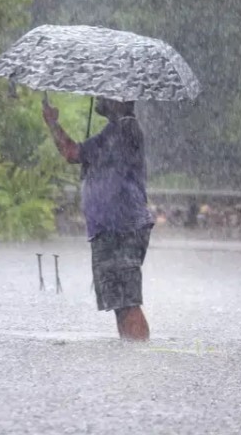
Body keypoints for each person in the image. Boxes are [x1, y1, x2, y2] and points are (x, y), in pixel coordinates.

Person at [42, 94, 154, 341]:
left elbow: (73, 153)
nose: (98, 97)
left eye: (105, 94)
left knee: (127, 301)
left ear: (119, 99)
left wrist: (53, 124)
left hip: (122, 228)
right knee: (119, 303)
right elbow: (75, 154)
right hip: (109, 229)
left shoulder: (125, 129)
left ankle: (139, 356)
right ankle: (131, 356)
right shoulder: (115, 130)